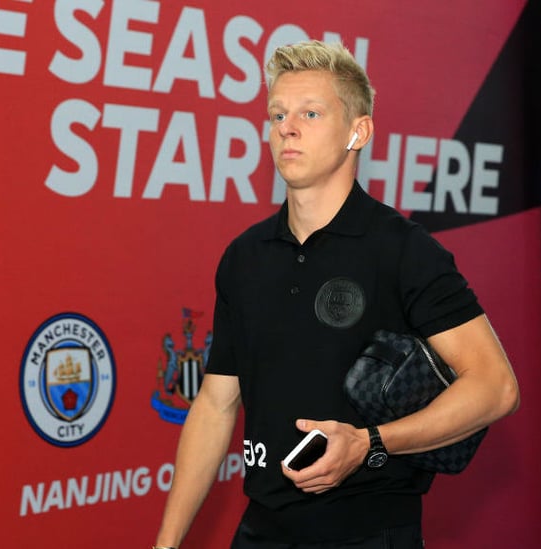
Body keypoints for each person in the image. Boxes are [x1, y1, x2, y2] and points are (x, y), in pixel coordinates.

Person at [154, 40, 520, 549]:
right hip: (263, 526)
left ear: (358, 131)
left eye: (310, 112)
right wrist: (166, 544)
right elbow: (216, 404)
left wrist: (369, 443)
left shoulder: (404, 250)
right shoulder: (245, 256)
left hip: (368, 530)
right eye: (277, 114)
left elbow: (495, 386)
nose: (287, 127)